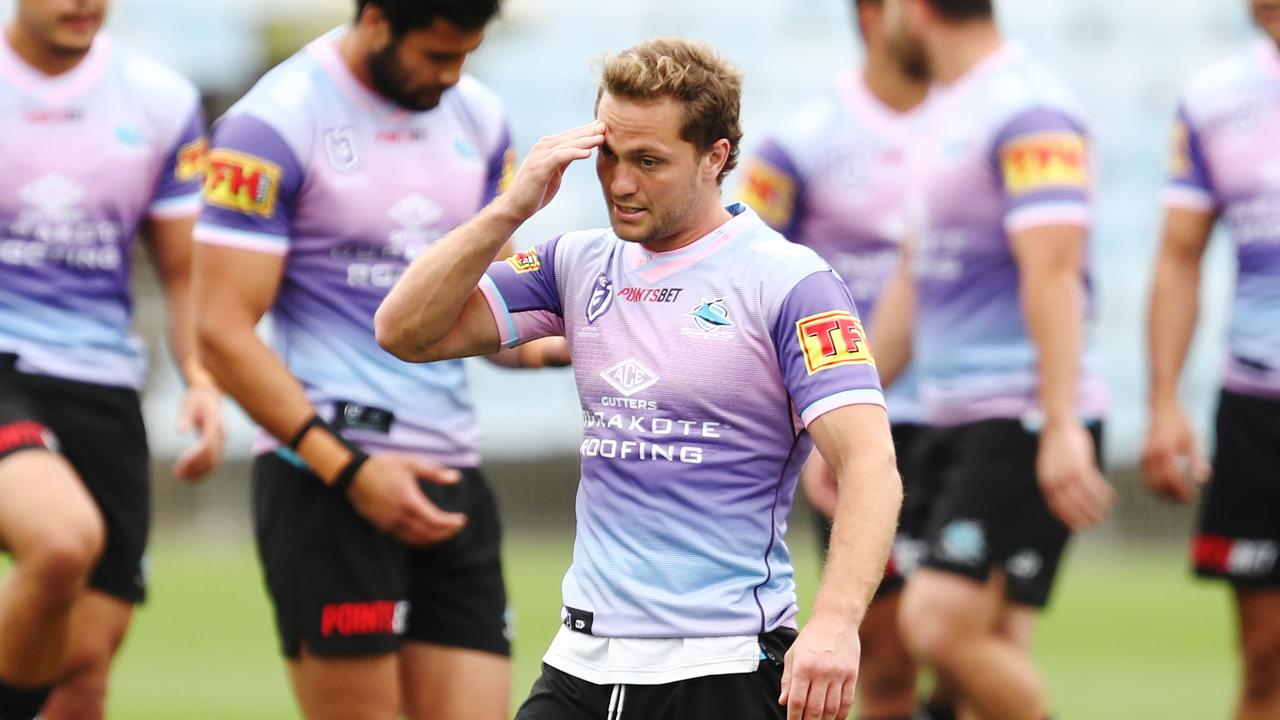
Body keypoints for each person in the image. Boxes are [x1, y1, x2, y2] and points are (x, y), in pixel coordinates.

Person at [376, 37, 904, 720]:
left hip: (724, 665)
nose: (620, 183)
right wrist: (511, 208)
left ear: (715, 157)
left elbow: (870, 462)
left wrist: (835, 623)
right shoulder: (576, 264)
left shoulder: (789, 283)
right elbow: (404, 330)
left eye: (649, 162)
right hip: (580, 663)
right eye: (609, 156)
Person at [191, 2, 566, 719]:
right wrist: (351, 473)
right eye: (436, 56)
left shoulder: (481, 119)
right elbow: (221, 333)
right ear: (375, 20)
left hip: (450, 477)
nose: (451, 76)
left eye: (467, 57)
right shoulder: (271, 123)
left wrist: (563, 349)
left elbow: (473, 321)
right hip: (327, 483)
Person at [870, 1, 1117, 719]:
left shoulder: (1029, 109)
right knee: (974, 662)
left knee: (933, 626)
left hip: (1019, 414)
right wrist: (854, 404)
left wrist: (1062, 421)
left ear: (913, 11)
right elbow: (915, 281)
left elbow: (1056, 270)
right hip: (948, 418)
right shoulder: (943, 110)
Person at [0, 0, 225, 718]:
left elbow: (184, 273)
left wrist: (199, 375)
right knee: (62, 541)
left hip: (102, 384)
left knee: (83, 672)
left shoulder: (160, 100)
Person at [735, 2, 932, 718]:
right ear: (875, 14)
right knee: (880, 656)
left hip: (975, 415)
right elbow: (744, 267)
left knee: (973, 641)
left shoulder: (987, 127)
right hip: (858, 425)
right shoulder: (802, 141)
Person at [1141, 3, 1280, 718]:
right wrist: (1164, 402)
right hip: (1259, 405)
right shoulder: (1215, 101)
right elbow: (1179, 256)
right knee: (1265, 659)